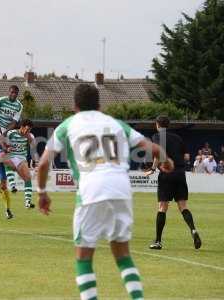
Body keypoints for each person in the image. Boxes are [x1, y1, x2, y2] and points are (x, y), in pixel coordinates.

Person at [36, 84, 173, 300]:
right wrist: (167, 162)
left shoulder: (68, 125)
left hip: (91, 190)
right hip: (121, 189)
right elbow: (155, 150)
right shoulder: (116, 124)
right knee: (123, 255)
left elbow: (43, 165)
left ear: (75, 106)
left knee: (83, 257)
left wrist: (42, 193)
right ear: (99, 105)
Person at [146, 115, 202, 250]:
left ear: (157, 125)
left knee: (162, 207)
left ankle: (158, 241)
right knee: (183, 206)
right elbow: (186, 156)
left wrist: (153, 169)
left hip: (167, 174)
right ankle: (193, 230)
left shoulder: (157, 137)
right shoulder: (177, 138)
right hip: (180, 174)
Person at [4, 119, 37, 208]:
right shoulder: (11, 133)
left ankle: (28, 202)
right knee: (6, 158)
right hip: (11, 156)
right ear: (21, 127)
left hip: (22, 158)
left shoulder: (30, 136)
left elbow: (33, 145)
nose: (27, 131)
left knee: (28, 178)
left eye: (29, 130)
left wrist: (28, 136)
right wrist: (6, 148)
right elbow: (3, 142)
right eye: (26, 129)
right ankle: (12, 185)